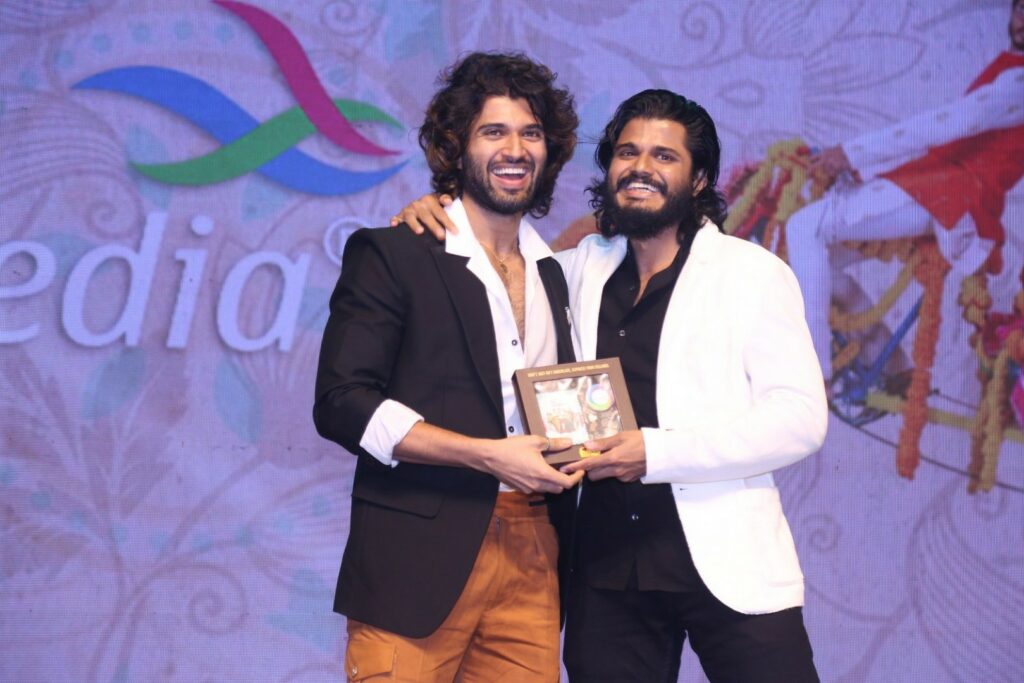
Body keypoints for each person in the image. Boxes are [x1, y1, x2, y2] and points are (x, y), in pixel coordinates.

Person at [395, 89, 828, 682]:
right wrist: (443, 216)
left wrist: (654, 452)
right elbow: (497, 265)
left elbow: (800, 419)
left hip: (729, 562)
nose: (641, 168)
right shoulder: (575, 268)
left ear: (700, 179)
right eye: (627, 152)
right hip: (605, 570)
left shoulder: (751, 274)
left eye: (664, 156)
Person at [313, 52, 583, 682]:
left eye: (531, 133)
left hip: (534, 553)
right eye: (494, 132)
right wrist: (487, 456)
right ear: (456, 146)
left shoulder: (560, 274)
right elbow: (341, 402)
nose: (514, 150)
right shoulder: (395, 253)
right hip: (415, 558)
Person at [786, 0, 1024, 383]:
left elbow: (946, 124)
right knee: (821, 259)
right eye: (1022, 9)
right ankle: (891, 365)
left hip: (953, 195)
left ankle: (811, 374)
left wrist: (851, 153)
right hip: (942, 184)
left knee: (804, 226)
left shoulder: (1019, 83)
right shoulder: (1011, 67)